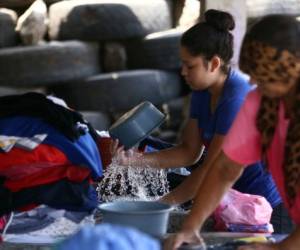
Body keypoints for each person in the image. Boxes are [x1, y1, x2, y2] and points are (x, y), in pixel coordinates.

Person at [112, 9, 286, 232]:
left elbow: (212, 170)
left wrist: (161, 205)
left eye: (190, 65)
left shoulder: (236, 98)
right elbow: (188, 151)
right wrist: (134, 161)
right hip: (229, 202)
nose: (183, 72)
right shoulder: (201, 92)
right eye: (182, 64)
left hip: (264, 208)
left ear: (213, 63)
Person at [162, 14, 300, 250]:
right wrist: (190, 227)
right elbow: (225, 168)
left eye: (264, 76)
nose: (255, 83)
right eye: (253, 74)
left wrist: (281, 247)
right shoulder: (259, 102)